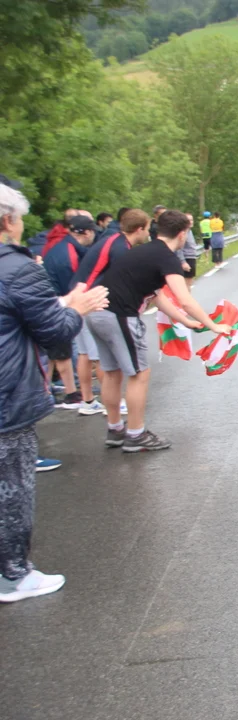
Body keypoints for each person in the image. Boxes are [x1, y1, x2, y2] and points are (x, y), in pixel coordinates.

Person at [1, 182, 110, 602]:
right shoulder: (17, 266)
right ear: (8, 220)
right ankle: (13, 575)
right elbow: (54, 334)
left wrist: (59, 303)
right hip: (7, 396)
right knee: (12, 489)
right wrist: (76, 309)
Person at [85, 210, 231, 453]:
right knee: (139, 374)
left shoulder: (143, 251)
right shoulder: (167, 258)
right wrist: (214, 325)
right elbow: (185, 299)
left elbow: (156, 296)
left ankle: (115, 429)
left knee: (111, 373)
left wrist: (186, 321)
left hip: (96, 312)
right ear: (182, 234)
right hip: (119, 316)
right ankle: (136, 434)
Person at [43, 215, 104, 414]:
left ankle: (83, 397)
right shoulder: (68, 254)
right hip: (62, 305)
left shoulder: (62, 247)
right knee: (90, 353)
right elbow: (75, 287)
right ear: (86, 233)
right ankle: (103, 398)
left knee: (80, 354)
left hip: (54, 304)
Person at [178, 213, 200, 288]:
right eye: (188, 220)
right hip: (187, 258)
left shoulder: (189, 231)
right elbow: (179, 248)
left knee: (189, 283)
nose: (191, 222)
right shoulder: (183, 233)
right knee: (186, 284)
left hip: (191, 257)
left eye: (192, 220)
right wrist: (183, 262)